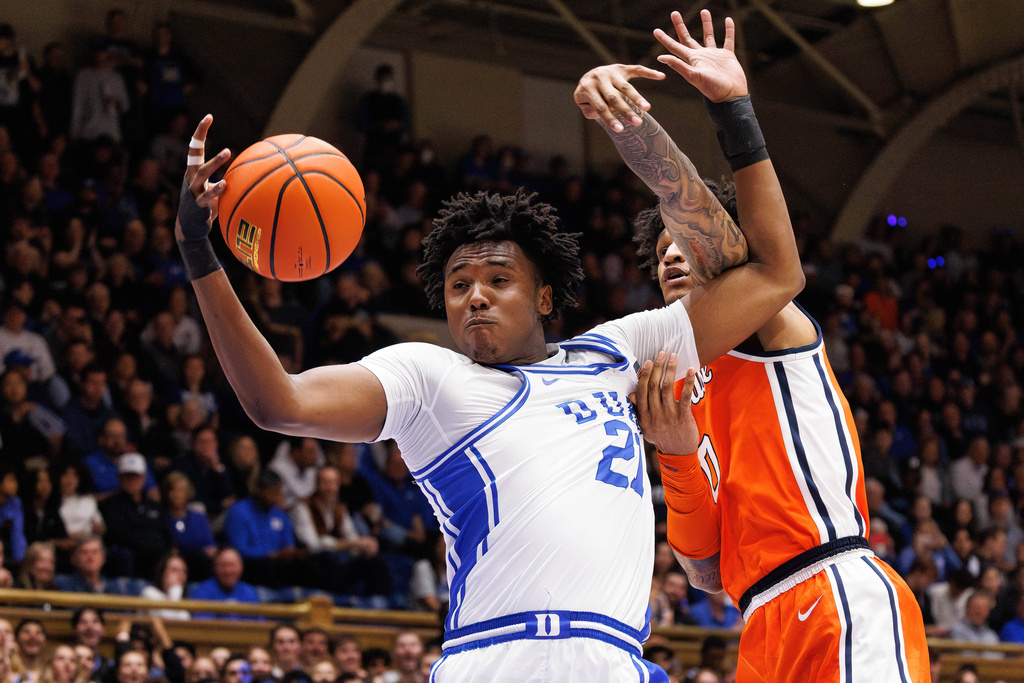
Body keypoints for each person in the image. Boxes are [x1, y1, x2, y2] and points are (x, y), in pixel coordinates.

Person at [175, 22, 802, 671]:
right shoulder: (427, 378)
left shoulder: (623, 349)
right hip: (498, 654)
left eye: (498, 279)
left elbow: (777, 274)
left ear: (545, 297)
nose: (474, 295)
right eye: (458, 284)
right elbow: (278, 401)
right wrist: (199, 253)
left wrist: (733, 110)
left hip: (617, 659)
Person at [608, 9, 929, 681]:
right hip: (758, 623)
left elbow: (707, 210)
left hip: (832, 587)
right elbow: (700, 570)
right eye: (658, 253)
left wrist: (730, 110)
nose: (669, 257)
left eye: (683, 246)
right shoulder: (669, 372)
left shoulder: (765, 322)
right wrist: (674, 455)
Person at [185, 546, 260, 619]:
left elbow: (260, 625)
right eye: (223, 565)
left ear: (241, 567)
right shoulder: (202, 592)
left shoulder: (249, 593)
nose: (228, 571)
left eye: (232, 565)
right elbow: (202, 626)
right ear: (215, 567)